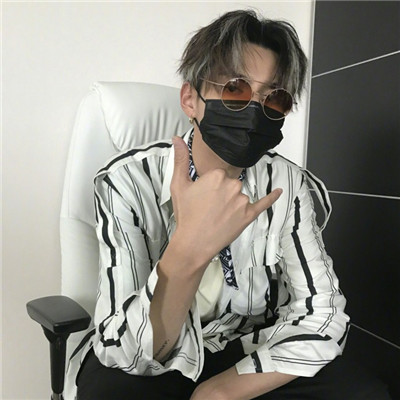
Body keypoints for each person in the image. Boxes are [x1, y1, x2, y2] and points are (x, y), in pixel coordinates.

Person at [70, 9, 391, 400]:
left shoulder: (287, 184)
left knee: (365, 393)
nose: (255, 112)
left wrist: (222, 390)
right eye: (236, 89)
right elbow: (127, 353)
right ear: (190, 99)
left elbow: (323, 311)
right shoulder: (127, 181)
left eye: (274, 98)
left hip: (246, 348)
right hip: (155, 354)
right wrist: (189, 245)